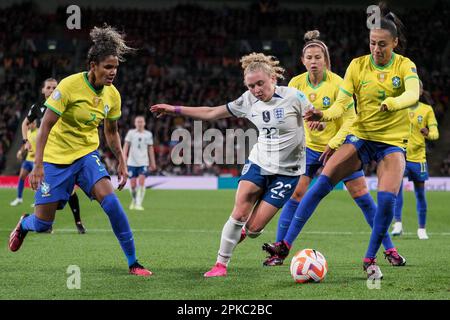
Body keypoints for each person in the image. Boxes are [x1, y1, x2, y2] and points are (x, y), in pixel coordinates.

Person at [263, 8, 419, 280]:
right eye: (372, 43)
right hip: (360, 139)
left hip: (391, 143)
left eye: (382, 44)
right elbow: (343, 105)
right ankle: (284, 244)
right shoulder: (357, 66)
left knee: (384, 203)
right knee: (321, 183)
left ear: (394, 43)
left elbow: (413, 93)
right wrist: (322, 114)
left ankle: (370, 258)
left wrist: (394, 103)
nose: (376, 49)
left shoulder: (404, 65)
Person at [151, 52, 312, 277]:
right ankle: (220, 265)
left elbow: (313, 115)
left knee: (254, 229)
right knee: (238, 214)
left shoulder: (295, 97)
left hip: (288, 173)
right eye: (251, 85)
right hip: (259, 163)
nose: (256, 89)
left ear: (273, 78)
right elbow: (211, 112)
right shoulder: (247, 100)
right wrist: (174, 109)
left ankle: (244, 232)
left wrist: (318, 121)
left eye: (260, 84)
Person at [8, 25, 152, 276]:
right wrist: (39, 165)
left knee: (112, 205)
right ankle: (24, 224)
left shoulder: (113, 95)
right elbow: (45, 127)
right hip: (55, 159)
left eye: (115, 67)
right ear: (93, 65)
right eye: (108, 67)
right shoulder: (69, 86)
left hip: (86, 156)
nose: (113, 72)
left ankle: (133, 262)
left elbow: (111, 131)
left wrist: (121, 161)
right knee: (42, 224)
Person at [11, 78, 86, 234]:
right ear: (43, 90)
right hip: (46, 156)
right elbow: (25, 123)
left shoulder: (66, 104)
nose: (52, 90)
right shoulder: (38, 107)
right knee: (45, 190)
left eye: (55, 87)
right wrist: (25, 141)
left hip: (63, 153)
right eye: (49, 87)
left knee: (70, 191)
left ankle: (78, 221)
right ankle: (46, 222)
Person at [392, 80, 439, 239]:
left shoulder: (427, 110)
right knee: (396, 191)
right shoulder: (399, 108)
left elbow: (435, 133)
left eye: (416, 88)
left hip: (418, 158)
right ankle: (397, 224)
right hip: (400, 156)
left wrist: (428, 133)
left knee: (420, 194)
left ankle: (421, 228)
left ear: (420, 91)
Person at [123, 115, 157, 211]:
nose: (139, 123)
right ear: (135, 123)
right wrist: (123, 158)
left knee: (141, 182)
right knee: (133, 185)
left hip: (143, 162)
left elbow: (150, 149)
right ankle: (134, 200)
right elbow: (126, 146)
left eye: (141, 122)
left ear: (144, 123)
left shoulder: (148, 134)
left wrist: (153, 162)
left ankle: (138, 203)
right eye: (138, 122)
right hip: (131, 162)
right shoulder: (131, 133)